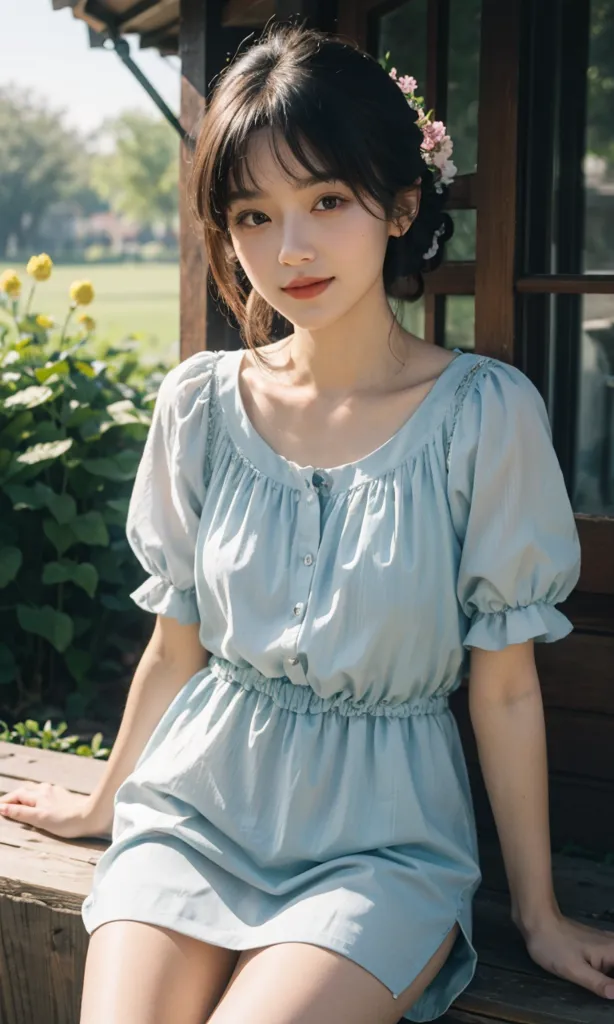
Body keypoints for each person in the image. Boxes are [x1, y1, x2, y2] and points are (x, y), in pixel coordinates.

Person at [1, 23, 613, 1024]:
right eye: (252, 214)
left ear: (400, 204)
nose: (288, 250)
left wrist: (537, 913)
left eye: (327, 201)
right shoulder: (198, 407)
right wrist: (102, 802)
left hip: (382, 844)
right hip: (197, 812)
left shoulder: (480, 414)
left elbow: (503, 688)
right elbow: (175, 646)